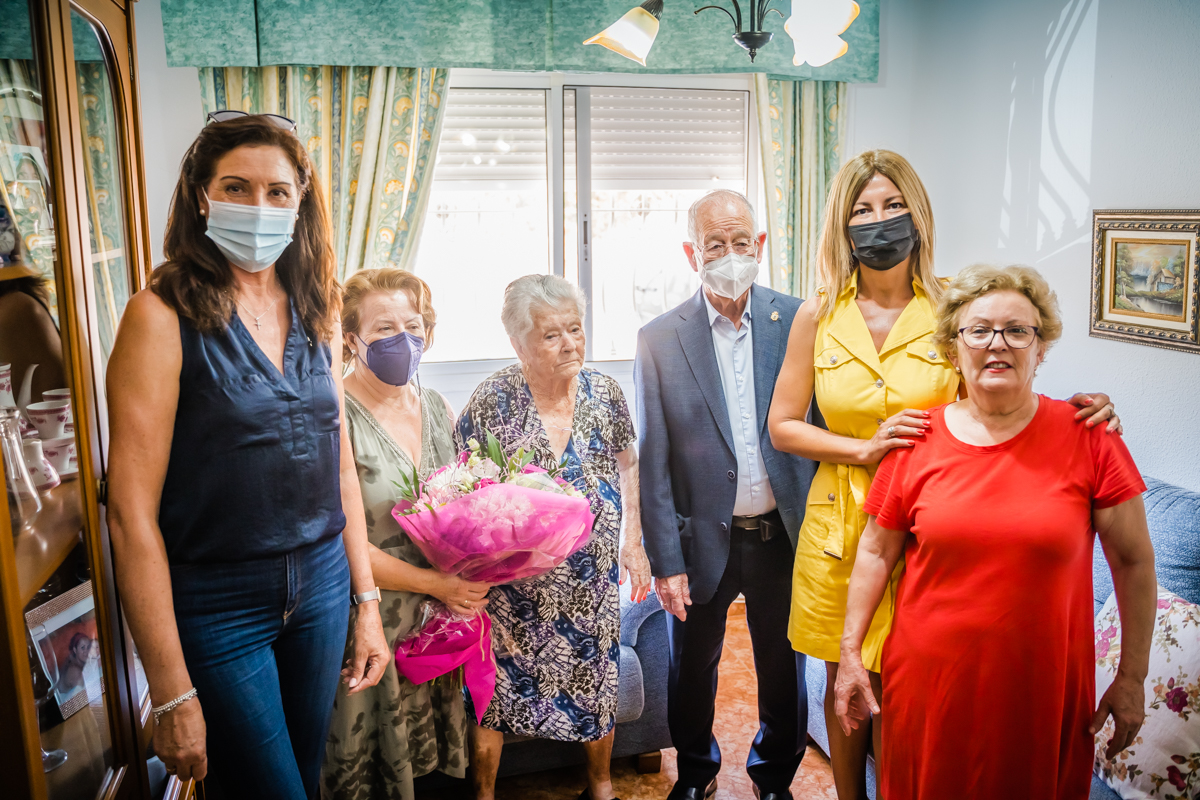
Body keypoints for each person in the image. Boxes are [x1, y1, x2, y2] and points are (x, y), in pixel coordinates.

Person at [766, 150, 1120, 799]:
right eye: (863, 209)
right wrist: (865, 449)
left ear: (918, 216)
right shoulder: (819, 313)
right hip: (841, 528)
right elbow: (783, 425)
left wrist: (1078, 410)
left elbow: (996, 392)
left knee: (906, 686)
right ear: (842, 224)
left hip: (931, 525)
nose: (879, 220)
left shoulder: (951, 305)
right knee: (845, 681)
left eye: (893, 205)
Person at [106, 114, 389, 796]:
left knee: (305, 778)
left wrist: (367, 603)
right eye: (236, 187)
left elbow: (340, 469)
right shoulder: (158, 315)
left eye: (277, 192)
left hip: (322, 587)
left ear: (300, 203)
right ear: (202, 196)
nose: (258, 206)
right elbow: (129, 515)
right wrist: (170, 692)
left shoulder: (318, 310)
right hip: (216, 601)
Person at [834, 264, 1156, 799]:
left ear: (1041, 347)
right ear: (952, 347)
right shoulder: (915, 440)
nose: (997, 343)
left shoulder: (1090, 437)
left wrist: (1132, 677)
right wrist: (850, 654)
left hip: (1043, 691)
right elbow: (874, 551)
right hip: (930, 687)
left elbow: (1133, 561)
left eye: (1017, 330)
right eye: (979, 330)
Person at [636, 189, 816, 800]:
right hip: (699, 543)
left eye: (741, 241)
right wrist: (665, 561)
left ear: (759, 244)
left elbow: (823, 421)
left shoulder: (799, 320)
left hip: (782, 536)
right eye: (715, 244)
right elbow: (654, 461)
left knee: (784, 671)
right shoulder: (660, 338)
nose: (730, 254)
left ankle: (774, 778)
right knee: (690, 671)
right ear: (693, 253)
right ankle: (695, 774)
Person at [457, 274, 652, 800]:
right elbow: (463, 488)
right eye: (551, 335)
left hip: (590, 581)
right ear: (518, 343)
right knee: (495, 693)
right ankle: (484, 793)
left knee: (596, 680)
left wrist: (633, 542)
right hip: (512, 587)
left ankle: (601, 785)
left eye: (575, 328)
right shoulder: (493, 399)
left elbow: (629, 465)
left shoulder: (604, 392)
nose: (570, 343)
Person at [323, 267, 490, 799]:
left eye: (413, 327)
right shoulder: (334, 415)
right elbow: (339, 541)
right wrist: (437, 584)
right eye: (384, 329)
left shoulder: (438, 407)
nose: (403, 340)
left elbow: (465, 511)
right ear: (351, 339)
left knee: (434, 775)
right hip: (369, 619)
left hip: (436, 627)